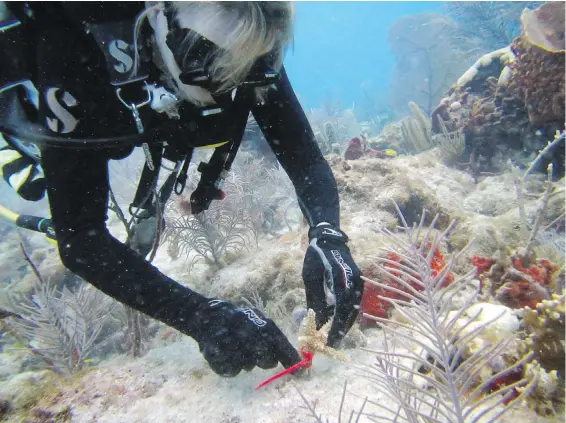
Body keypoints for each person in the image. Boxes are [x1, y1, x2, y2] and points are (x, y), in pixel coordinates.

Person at [0, 2, 364, 377]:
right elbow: (80, 240)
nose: (225, 81)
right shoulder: (71, 53)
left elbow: (305, 159)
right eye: (205, 59)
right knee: (36, 182)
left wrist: (328, 234)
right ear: (159, 15)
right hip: (83, 100)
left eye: (246, 66)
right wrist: (198, 316)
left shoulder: (248, 33)